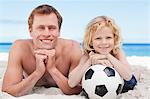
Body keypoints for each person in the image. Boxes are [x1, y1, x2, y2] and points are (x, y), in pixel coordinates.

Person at [2, 4, 82, 97]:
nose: (46, 33)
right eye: (41, 28)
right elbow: (8, 91)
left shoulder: (72, 48)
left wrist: (52, 69)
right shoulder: (19, 48)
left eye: (52, 28)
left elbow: (77, 90)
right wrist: (37, 73)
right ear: (30, 31)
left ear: (59, 31)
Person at [68, 16, 137, 93]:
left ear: (115, 38)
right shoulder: (87, 55)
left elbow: (128, 76)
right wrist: (89, 62)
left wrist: (108, 56)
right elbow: (71, 83)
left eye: (108, 37)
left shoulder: (117, 52)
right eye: (98, 38)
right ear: (91, 41)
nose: (104, 42)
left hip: (125, 84)